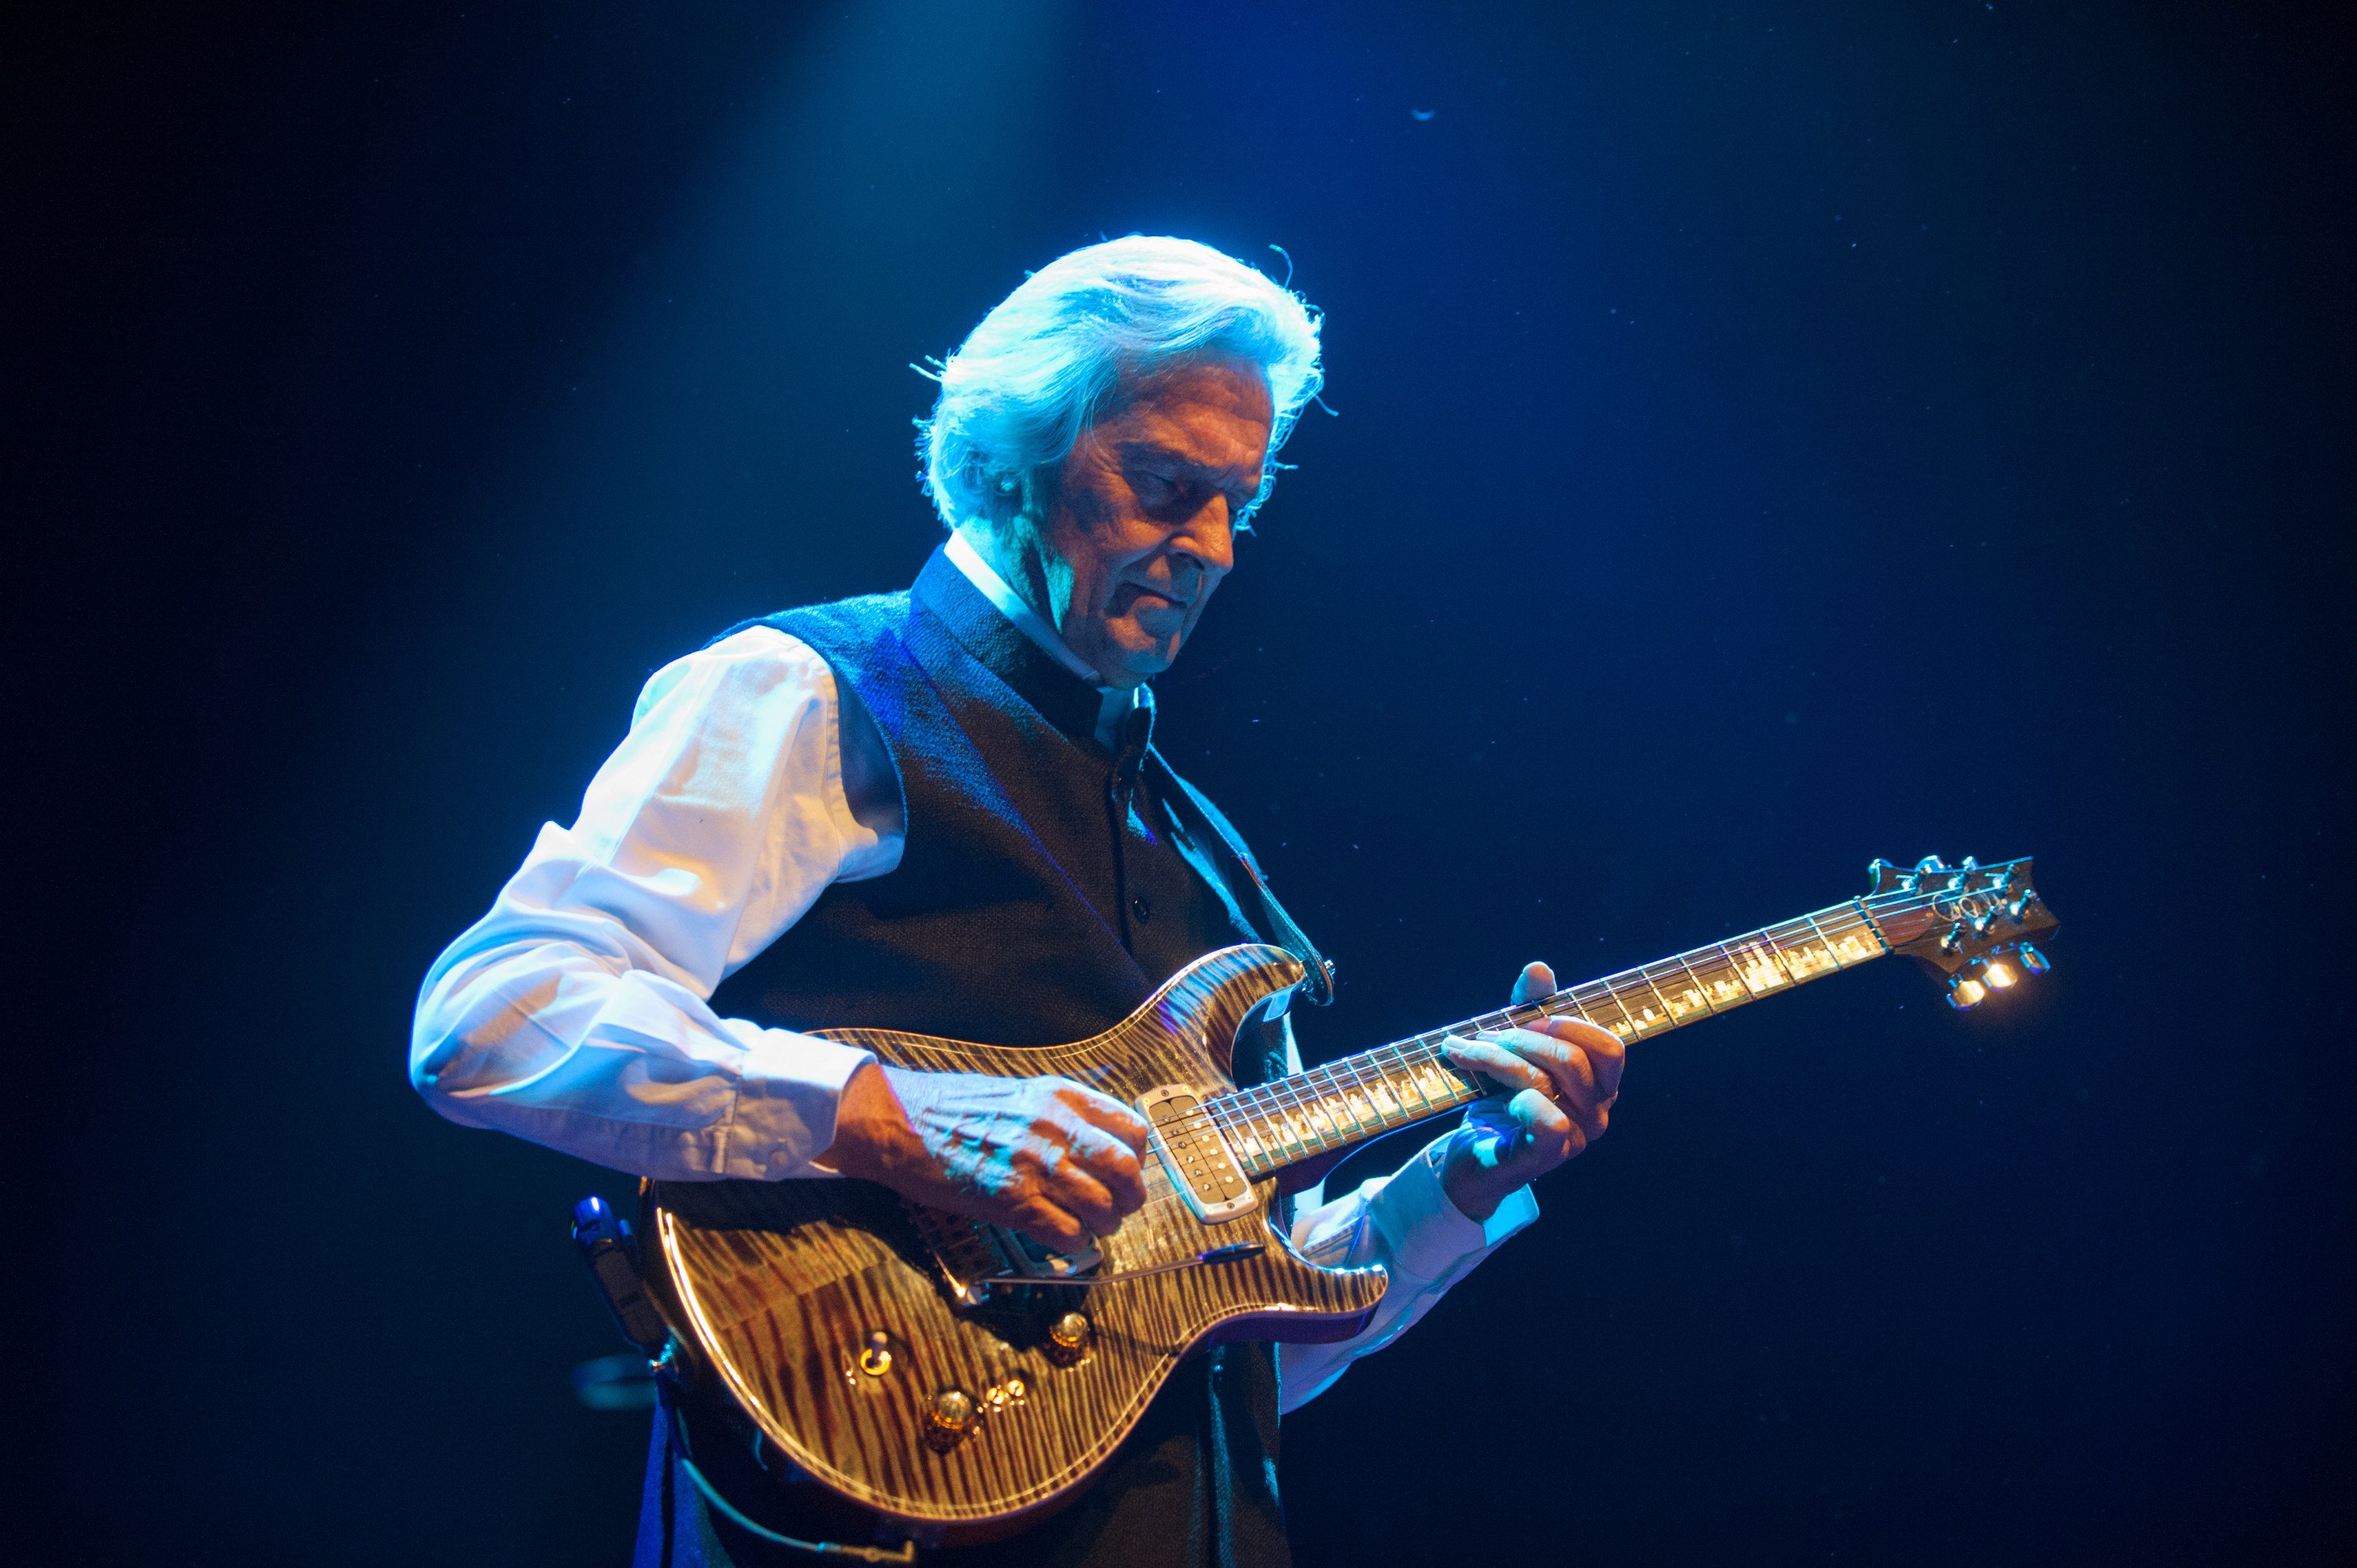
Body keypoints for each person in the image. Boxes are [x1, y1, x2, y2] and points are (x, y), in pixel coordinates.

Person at [409, 236, 1625, 1567]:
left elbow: (1233, 1352)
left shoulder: (1204, 857)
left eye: (1241, 502)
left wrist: (1458, 1182)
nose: (1210, 547)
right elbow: (494, 1016)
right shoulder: (814, 689)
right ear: (1004, 459)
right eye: (1165, 485)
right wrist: (891, 1119)